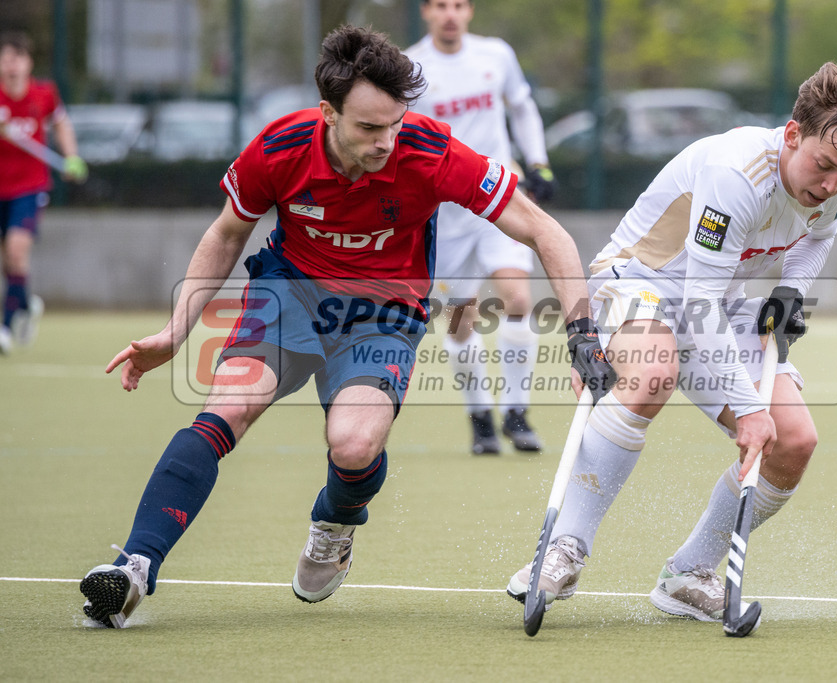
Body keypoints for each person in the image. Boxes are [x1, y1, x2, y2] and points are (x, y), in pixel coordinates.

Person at [78, 25, 613, 629]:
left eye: (395, 123)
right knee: (227, 406)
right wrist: (176, 332)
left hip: (384, 313)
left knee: (355, 447)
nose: (386, 140)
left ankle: (335, 522)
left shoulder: (431, 152)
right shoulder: (280, 148)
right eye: (368, 128)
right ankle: (133, 569)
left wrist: (582, 333)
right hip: (288, 295)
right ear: (327, 113)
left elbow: (546, 231)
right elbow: (227, 233)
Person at [506, 57, 837, 628]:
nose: (832, 185)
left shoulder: (836, 174)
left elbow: (818, 236)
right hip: (638, 283)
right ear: (793, 135)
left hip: (713, 299)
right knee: (652, 373)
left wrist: (792, 290)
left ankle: (688, 575)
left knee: (793, 441)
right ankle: (563, 551)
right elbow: (697, 304)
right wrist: (747, 410)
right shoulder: (736, 174)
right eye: (824, 166)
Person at [405, 0, 557, 455]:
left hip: (498, 197)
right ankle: (480, 418)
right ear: (426, 12)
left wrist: (538, 163)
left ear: (469, 11)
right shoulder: (412, 66)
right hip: (446, 213)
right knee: (461, 318)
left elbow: (523, 107)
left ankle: (516, 413)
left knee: (517, 298)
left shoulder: (496, 55)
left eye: (458, 4)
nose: (449, 13)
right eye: (439, 5)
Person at [0, 31, 87, 354]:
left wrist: (72, 156)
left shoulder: (43, 94)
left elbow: (62, 125)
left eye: (17, 58)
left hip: (30, 187)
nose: (11, 65)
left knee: (16, 251)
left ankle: (6, 328)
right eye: (6, 58)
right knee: (9, 262)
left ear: (28, 63)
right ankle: (24, 303)